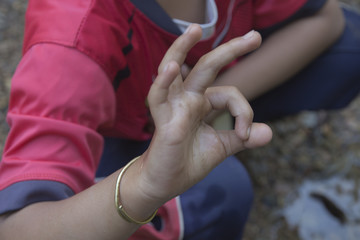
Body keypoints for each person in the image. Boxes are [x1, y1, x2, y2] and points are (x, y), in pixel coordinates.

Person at [0, 0, 359, 239]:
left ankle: (211, 125)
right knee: (226, 191)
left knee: (351, 45)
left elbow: (328, 19)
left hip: (200, 91)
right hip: (114, 134)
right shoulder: (70, 38)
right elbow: (17, 227)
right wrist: (144, 186)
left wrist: (206, 99)